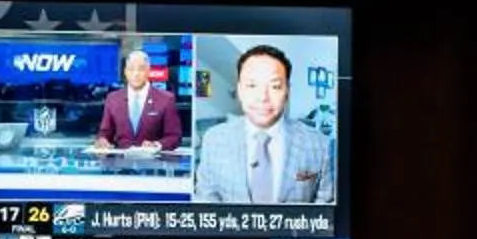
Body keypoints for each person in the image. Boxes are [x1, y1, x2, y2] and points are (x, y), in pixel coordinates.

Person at [191, 44, 334, 205]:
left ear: (287, 91)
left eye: (275, 86)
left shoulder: (319, 144)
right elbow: (206, 202)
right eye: (252, 85)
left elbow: (326, 213)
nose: (262, 97)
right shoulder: (214, 139)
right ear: (240, 90)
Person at [92, 44, 182, 155]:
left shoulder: (165, 99)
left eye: (141, 69)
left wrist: (157, 145)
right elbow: (105, 132)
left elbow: (174, 137)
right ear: (125, 72)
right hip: (120, 166)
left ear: (149, 70)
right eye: (131, 69)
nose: (135, 74)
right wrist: (103, 141)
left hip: (154, 166)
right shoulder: (113, 99)